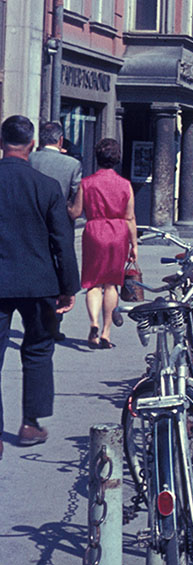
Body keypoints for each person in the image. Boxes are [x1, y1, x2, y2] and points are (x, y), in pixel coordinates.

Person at [0, 115, 79, 453]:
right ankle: (30, 423)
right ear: (31, 146)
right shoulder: (46, 186)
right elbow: (62, 240)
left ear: (1, 143)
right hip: (40, 283)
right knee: (38, 351)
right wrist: (68, 287)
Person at [71, 138, 137, 349]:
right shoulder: (125, 184)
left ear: (97, 157)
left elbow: (76, 212)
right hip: (118, 234)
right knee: (111, 284)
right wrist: (134, 245)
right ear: (117, 159)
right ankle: (107, 332)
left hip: (94, 232)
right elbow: (130, 217)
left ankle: (93, 323)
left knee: (92, 283)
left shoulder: (86, 183)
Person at [29, 121, 82, 341]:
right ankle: (53, 323)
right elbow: (75, 195)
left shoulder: (29, 159)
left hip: (30, 223)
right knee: (57, 269)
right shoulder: (71, 164)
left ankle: (32, 316)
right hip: (58, 224)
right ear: (60, 140)